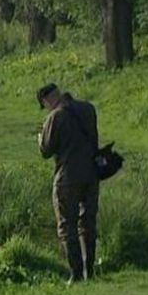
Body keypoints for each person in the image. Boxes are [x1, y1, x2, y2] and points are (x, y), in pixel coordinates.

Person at [37, 83, 100, 283]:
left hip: (67, 177)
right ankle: (89, 270)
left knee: (66, 225)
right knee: (87, 222)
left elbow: (46, 151)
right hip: (91, 174)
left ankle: (75, 274)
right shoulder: (88, 108)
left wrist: (40, 137)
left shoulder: (55, 116)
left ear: (47, 100)